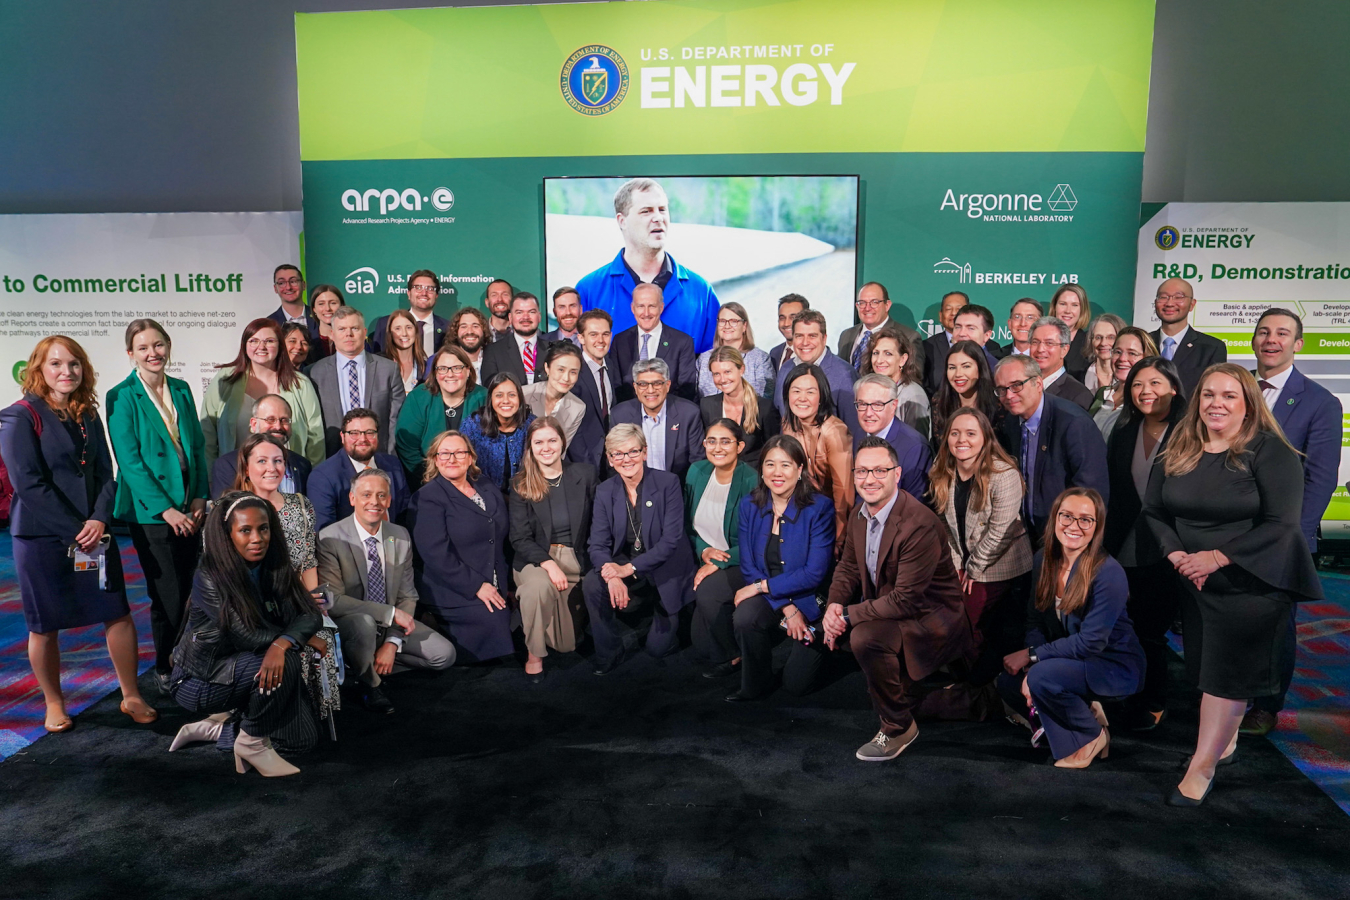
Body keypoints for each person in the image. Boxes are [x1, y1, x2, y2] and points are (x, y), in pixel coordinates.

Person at [1145, 364, 1324, 806]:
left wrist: (1217, 557)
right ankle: (1223, 744)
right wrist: (1177, 555)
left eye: (1229, 396)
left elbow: (1282, 525)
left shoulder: (1270, 450)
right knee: (1207, 672)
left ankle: (1200, 768)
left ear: (1248, 403)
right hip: (1194, 578)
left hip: (1253, 580)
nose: (1216, 404)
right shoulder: (1181, 443)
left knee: (1227, 678)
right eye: (1208, 395)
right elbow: (1152, 510)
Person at [0, 336, 157, 732]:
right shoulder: (18, 416)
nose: (66, 372)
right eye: (55, 364)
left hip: (94, 530)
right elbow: (29, 484)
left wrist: (100, 519)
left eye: (73, 364)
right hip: (41, 538)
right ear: (37, 370)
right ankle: (54, 703)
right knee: (43, 624)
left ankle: (131, 695)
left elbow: (106, 471)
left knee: (117, 612)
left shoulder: (87, 412)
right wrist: (77, 530)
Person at [821, 438, 974, 761]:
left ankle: (898, 727)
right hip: (891, 609)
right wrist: (834, 604)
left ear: (897, 474)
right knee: (876, 661)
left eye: (880, 470)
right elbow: (848, 566)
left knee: (865, 637)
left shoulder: (918, 524)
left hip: (930, 617)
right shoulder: (859, 513)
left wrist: (846, 617)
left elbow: (905, 600)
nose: (869, 478)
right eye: (862, 471)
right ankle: (924, 700)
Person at [167, 492, 325, 775]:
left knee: (301, 741)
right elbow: (244, 635)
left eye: (263, 528)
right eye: (245, 530)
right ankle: (251, 741)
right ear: (228, 535)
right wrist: (287, 643)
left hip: (247, 665)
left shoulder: (274, 565)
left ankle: (222, 730)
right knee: (284, 660)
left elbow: (311, 613)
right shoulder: (209, 574)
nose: (257, 538)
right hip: (201, 678)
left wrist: (289, 639)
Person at [1244, 308, 1343, 736]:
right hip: (1225, 530)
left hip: (1280, 535)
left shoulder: (1320, 402)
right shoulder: (1232, 389)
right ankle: (1223, 694)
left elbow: (1320, 478)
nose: (1271, 340)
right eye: (1263, 332)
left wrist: (1294, 534)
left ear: (1298, 344)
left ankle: (1266, 705)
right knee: (1227, 618)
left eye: (1282, 333)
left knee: (1273, 624)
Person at [999, 488, 1144, 768]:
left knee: (1041, 677)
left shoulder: (1108, 572)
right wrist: (1031, 662)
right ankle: (1084, 712)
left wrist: (1035, 659)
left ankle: (1092, 736)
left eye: (1085, 520)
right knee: (1010, 681)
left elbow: (1091, 643)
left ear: (1097, 527)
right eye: (1066, 516)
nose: (1074, 526)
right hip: (1071, 661)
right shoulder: (1043, 559)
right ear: (1055, 519)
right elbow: (1035, 620)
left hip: (1112, 665)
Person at [107, 319, 209, 693]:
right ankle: (166, 665)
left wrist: (199, 495)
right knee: (167, 593)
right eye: (144, 347)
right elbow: (129, 462)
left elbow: (196, 447)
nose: (154, 353)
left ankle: (192, 659)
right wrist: (167, 510)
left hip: (189, 504)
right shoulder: (121, 395)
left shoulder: (181, 389)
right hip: (152, 513)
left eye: (159, 344)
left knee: (194, 588)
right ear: (130, 354)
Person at [317, 469, 454, 714]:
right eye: (366, 494)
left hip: (389, 625)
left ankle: (367, 662)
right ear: (352, 499)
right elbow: (333, 601)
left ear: (389, 501)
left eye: (382, 496)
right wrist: (390, 613)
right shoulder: (330, 538)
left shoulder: (399, 535)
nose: (375, 502)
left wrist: (392, 642)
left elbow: (408, 595)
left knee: (444, 655)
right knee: (365, 624)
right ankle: (370, 684)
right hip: (353, 624)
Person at [1103, 356, 1187, 732]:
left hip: (1172, 546)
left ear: (1173, 387)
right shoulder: (1124, 430)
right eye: (1137, 384)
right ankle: (1133, 692)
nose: (1145, 392)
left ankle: (1154, 700)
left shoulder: (1191, 431)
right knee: (1131, 625)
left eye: (1154, 383)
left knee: (1153, 631)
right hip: (1126, 545)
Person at [727, 435, 835, 701]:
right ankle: (754, 683)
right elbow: (750, 565)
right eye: (770, 464)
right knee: (745, 616)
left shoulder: (819, 508)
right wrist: (786, 608)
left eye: (786, 465)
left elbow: (814, 573)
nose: (777, 473)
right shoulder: (749, 505)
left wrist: (762, 587)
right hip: (776, 597)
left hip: (811, 597)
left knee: (796, 685)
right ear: (761, 469)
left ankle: (831, 647)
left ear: (800, 470)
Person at [930, 408, 1032, 685]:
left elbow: (1000, 531)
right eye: (955, 433)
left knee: (968, 619)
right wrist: (957, 565)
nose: (962, 439)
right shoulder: (944, 472)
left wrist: (972, 569)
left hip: (1001, 565)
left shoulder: (1004, 474)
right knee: (949, 614)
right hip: (965, 564)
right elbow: (945, 526)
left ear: (985, 438)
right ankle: (967, 679)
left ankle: (975, 686)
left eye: (971, 433)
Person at [583, 424, 695, 674]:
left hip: (665, 567)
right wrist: (610, 574)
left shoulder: (668, 482)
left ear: (645, 452)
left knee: (657, 649)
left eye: (633, 451)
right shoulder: (605, 491)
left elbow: (671, 541)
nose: (626, 459)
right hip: (626, 563)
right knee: (592, 582)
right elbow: (597, 544)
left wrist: (627, 569)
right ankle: (608, 651)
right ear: (610, 460)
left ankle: (669, 613)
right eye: (618, 454)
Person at [576, 177, 719, 353]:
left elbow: (717, 366)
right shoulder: (589, 290)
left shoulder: (701, 292)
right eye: (646, 211)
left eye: (662, 209)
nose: (658, 218)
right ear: (622, 221)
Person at [409, 431, 514, 661]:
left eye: (459, 453)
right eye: (444, 453)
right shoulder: (427, 498)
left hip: (496, 577)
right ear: (435, 459)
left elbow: (500, 536)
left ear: (470, 458)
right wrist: (478, 585)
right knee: (496, 624)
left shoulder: (485, 486)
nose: (452, 459)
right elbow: (436, 556)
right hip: (454, 586)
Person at [508, 418, 597, 681]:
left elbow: (597, 524)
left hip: (576, 557)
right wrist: (549, 564)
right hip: (535, 559)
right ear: (530, 447)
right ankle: (533, 655)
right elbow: (520, 538)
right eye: (538, 442)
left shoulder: (586, 474)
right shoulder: (520, 484)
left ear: (562, 442)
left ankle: (533, 615)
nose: (546, 447)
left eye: (551, 440)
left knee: (565, 644)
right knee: (538, 588)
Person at [994, 355, 1109, 543]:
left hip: (1067, 539)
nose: (1009, 395)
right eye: (1001, 389)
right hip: (1027, 537)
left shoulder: (1074, 423)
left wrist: (1070, 537)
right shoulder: (1010, 422)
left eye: (1016, 386)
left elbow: (1092, 493)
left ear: (1038, 383)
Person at [686, 419, 759, 677]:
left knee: (707, 594)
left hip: (743, 559)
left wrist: (718, 562)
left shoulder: (751, 479)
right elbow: (688, 526)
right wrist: (704, 551)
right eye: (711, 441)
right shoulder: (696, 471)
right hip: (706, 557)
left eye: (725, 441)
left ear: (739, 446)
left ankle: (733, 655)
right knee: (701, 644)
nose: (717, 447)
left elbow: (757, 540)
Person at [201, 318, 324, 468]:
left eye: (269, 341)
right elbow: (207, 433)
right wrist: (210, 476)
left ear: (280, 345)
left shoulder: (300, 384)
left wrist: (312, 479)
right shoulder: (226, 379)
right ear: (245, 345)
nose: (261, 347)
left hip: (286, 479)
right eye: (254, 341)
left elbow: (316, 438)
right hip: (235, 478)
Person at [308, 306, 405, 457]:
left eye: (355, 328)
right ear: (332, 334)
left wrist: (389, 456)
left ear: (364, 332)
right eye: (342, 329)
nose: (349, 334)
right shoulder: (314, 373)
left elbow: (396, 420)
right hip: (333, 458)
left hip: (378, 457)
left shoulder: (388, 369)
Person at [232, 433, 320, 591]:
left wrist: (313, 603)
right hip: (247, 603)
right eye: (262, 461)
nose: (272, 468)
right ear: (246, 468)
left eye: (278, 461)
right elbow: (217, 567)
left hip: (294, 603)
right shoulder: (228, 509)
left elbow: (308, 562)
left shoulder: (301, 504)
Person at [780, 363, 854, 548]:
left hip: (828, 515)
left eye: (810, 392)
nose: (802, 398)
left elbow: (843, 491)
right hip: (799, 511)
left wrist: (839, 536)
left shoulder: (834, 431)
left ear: (821, 397)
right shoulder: (788, 424)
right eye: (796, 391)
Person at [394, 344, 488, 480]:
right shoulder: (418, 398)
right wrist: (433, 479)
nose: (450, 374)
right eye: (443, 369)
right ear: (435, 373)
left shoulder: (483, 397)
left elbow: (492, 447)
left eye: (456, 368)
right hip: (426, 480)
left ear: (468, 371)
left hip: (475, 479)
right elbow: (407, 447)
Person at [308, 408, 411, 530]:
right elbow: (325, 531)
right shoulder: (323, 476)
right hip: (348, 547)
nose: (362, 439)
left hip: (391, 543)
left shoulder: (393, 465)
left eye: (369, 432)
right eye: (354, 433)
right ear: (342, 436)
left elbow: (404, 516)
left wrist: (392, 544)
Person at [611, 358, 705, 481]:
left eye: (657, 383)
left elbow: (697, 464)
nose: (650, 390)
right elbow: (615, 462)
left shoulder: (688, 414)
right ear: (635, 387)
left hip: (678, 490)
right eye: (643, 384)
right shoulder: (620, 415)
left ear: (667, 385)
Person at [209, 394, 313, 498]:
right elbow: (224, 509)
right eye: (270, 420)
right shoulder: (228, 465)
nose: (278, 426)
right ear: (254, 424)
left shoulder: (302, 465)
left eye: (284, 420)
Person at [609, 283, 699, 401]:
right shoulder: (620, 341)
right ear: (633, 308)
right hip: (629, 415)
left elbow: (686, 388)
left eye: (651, 306)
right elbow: (617, 387)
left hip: (670, 415)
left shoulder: (682, 342)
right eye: (641, 306)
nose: (646, 313)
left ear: (661, 308)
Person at [852, 374, 932, 503]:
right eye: (862, 404)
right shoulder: (859, 434)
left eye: (877, 405)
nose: (868, 413)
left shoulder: (915, 448)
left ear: (893, 405)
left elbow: (916, 507)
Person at [772, 309, 858, 428]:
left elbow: (854, 427)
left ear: (824, 338)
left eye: (812, 336)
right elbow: (780, 416)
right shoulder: (786, 368)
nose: (805, 342)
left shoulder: (845, 374)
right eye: (799, 336)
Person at [699, 347, 780, 467]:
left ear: (741, 369)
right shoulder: (706, 405)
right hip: (718, 474)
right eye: (716, 374)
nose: (722, 379)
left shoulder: (764, 407)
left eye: (727, 372)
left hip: (753, 478)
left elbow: (773, 451)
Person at [1150, 277, 1227, 396]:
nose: (1170, 303)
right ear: (1155, 303)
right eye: (1163, 297)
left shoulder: (1212, 348)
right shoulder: (1143, 342)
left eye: (1178, 297)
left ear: (1192, 304)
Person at [460, 373, 534, 491]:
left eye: (512, 395)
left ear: (519, 398)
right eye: (499, 395)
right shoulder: (473, 424)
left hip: (523, 495)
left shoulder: (531, 424)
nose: (506, 401)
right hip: (482, 494)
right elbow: (462, 464)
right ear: (491, 399)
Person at [839, 282, 925, 377]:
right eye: (862, 303)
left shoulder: (909, 337)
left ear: (887, 305)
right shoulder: (846, 335)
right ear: (857, 306)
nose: (867, 308)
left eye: (874, 302)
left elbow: (914, 377)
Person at [569, 309, 619, 469]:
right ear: (581, 338)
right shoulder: (572, 371)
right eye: (593, 334)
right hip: (583, 462)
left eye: (605, 334)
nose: (601, 340)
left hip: (612, 459)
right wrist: (587, 464)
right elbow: (570, 425)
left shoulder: (611, 365)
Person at [930, 340, 1001, 450]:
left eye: (966, 366)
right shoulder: (939, 401)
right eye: (952, 368)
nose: (958, 374)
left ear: (980, 368)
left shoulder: (998, 404)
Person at [860, 327, 930, 438]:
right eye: (876, 353)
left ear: (903, 359)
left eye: (888, 354)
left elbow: (917, 444)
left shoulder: (913, 395)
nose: (879, 360)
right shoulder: (868, 391)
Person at [1089, 327, 1158, 438]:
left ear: (1147, 358)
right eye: (1117, 352)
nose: (1122, 358)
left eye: (1132, 353)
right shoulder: (1103, 394)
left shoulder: (1147, 401)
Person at [696, 302, 772, 397]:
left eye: (733, 321)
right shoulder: (704, 359)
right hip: (708, 411)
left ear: (744, 326)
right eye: (722, 321)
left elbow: (767, 397)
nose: (727, 326)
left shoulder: (760, 358)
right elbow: (695, 397)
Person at [370, 269, 449, 357]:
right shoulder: (385, 324)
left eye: (430, 289)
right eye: (418, 288)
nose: (424, 293)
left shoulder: (448, 328)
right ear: (409, 293)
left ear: (436, 295)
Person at [522, 341, 587, 446]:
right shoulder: (523, 394)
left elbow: (561, 449)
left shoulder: (577, 407)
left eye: (573, 372)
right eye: (561, 370)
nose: (566, 378)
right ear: (547, 368)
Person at [481, 291, 546, 386]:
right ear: (510, 318)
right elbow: (490, 386)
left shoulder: (553, 349)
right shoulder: (493, 351)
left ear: (539, 317)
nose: (526, 317)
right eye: (519, 312)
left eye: (531, 312)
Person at [1030, 317, 1094, 411]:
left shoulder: (1078, 395)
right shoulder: (1021, 385)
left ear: (1064, 350)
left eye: (1049, 343)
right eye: (1035, 342)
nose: (1040, 349)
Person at [266, 264, 321, 353]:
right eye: (281, 283)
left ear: (303, 285)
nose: (288, 287)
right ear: (275, 288)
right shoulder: (269, 324)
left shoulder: (320, 316)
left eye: (293, 281)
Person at [922, 291, 969, 395]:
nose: (953, 313)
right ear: (940, 315)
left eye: (959, 309)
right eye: (948, 309)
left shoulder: (988, 346)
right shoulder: (926, 347)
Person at [1048, 284, 1092, 381]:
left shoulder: (1089, 344)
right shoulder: (1042, 340)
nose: (1068, 311)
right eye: (1063, 304)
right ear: (1055, 307)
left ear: (1082, 310)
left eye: (1074, 305)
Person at [381, 309, 429, 395]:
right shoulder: (380, 364)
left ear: (416, 331)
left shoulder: (425, 367)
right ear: (390, 334)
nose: (404, 333)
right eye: (398, 328)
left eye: (409, 327)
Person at [1082, 313, 1126, 392]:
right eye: (1098, 337)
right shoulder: (1079, 375)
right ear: (1091, 341)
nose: (1103, 343)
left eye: (1111, 337)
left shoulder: (1130, 377)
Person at [449, 306, 491, 382]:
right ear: (456, 331)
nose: (470, 331)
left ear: (484, 330)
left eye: (475, 326)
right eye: (464, 326)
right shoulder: (447, 361)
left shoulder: (496, 360)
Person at [768, 293, 808, 372]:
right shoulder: (775, 353)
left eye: (793, 318)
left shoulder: (813, 352)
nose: (786, 323)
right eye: (782, 318)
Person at [308, 283, 343, 360]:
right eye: (321, 304)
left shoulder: (352, 337)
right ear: (314, 309)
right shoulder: (307, 340)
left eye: (333, 303)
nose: (327, 308)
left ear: (342, 306)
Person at [484, 278, 515, 343]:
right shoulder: (480, 334)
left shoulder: (523, 332)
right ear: (487, 302)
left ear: (513, 301)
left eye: (505, 294)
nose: (500, 299)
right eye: (494, 295)